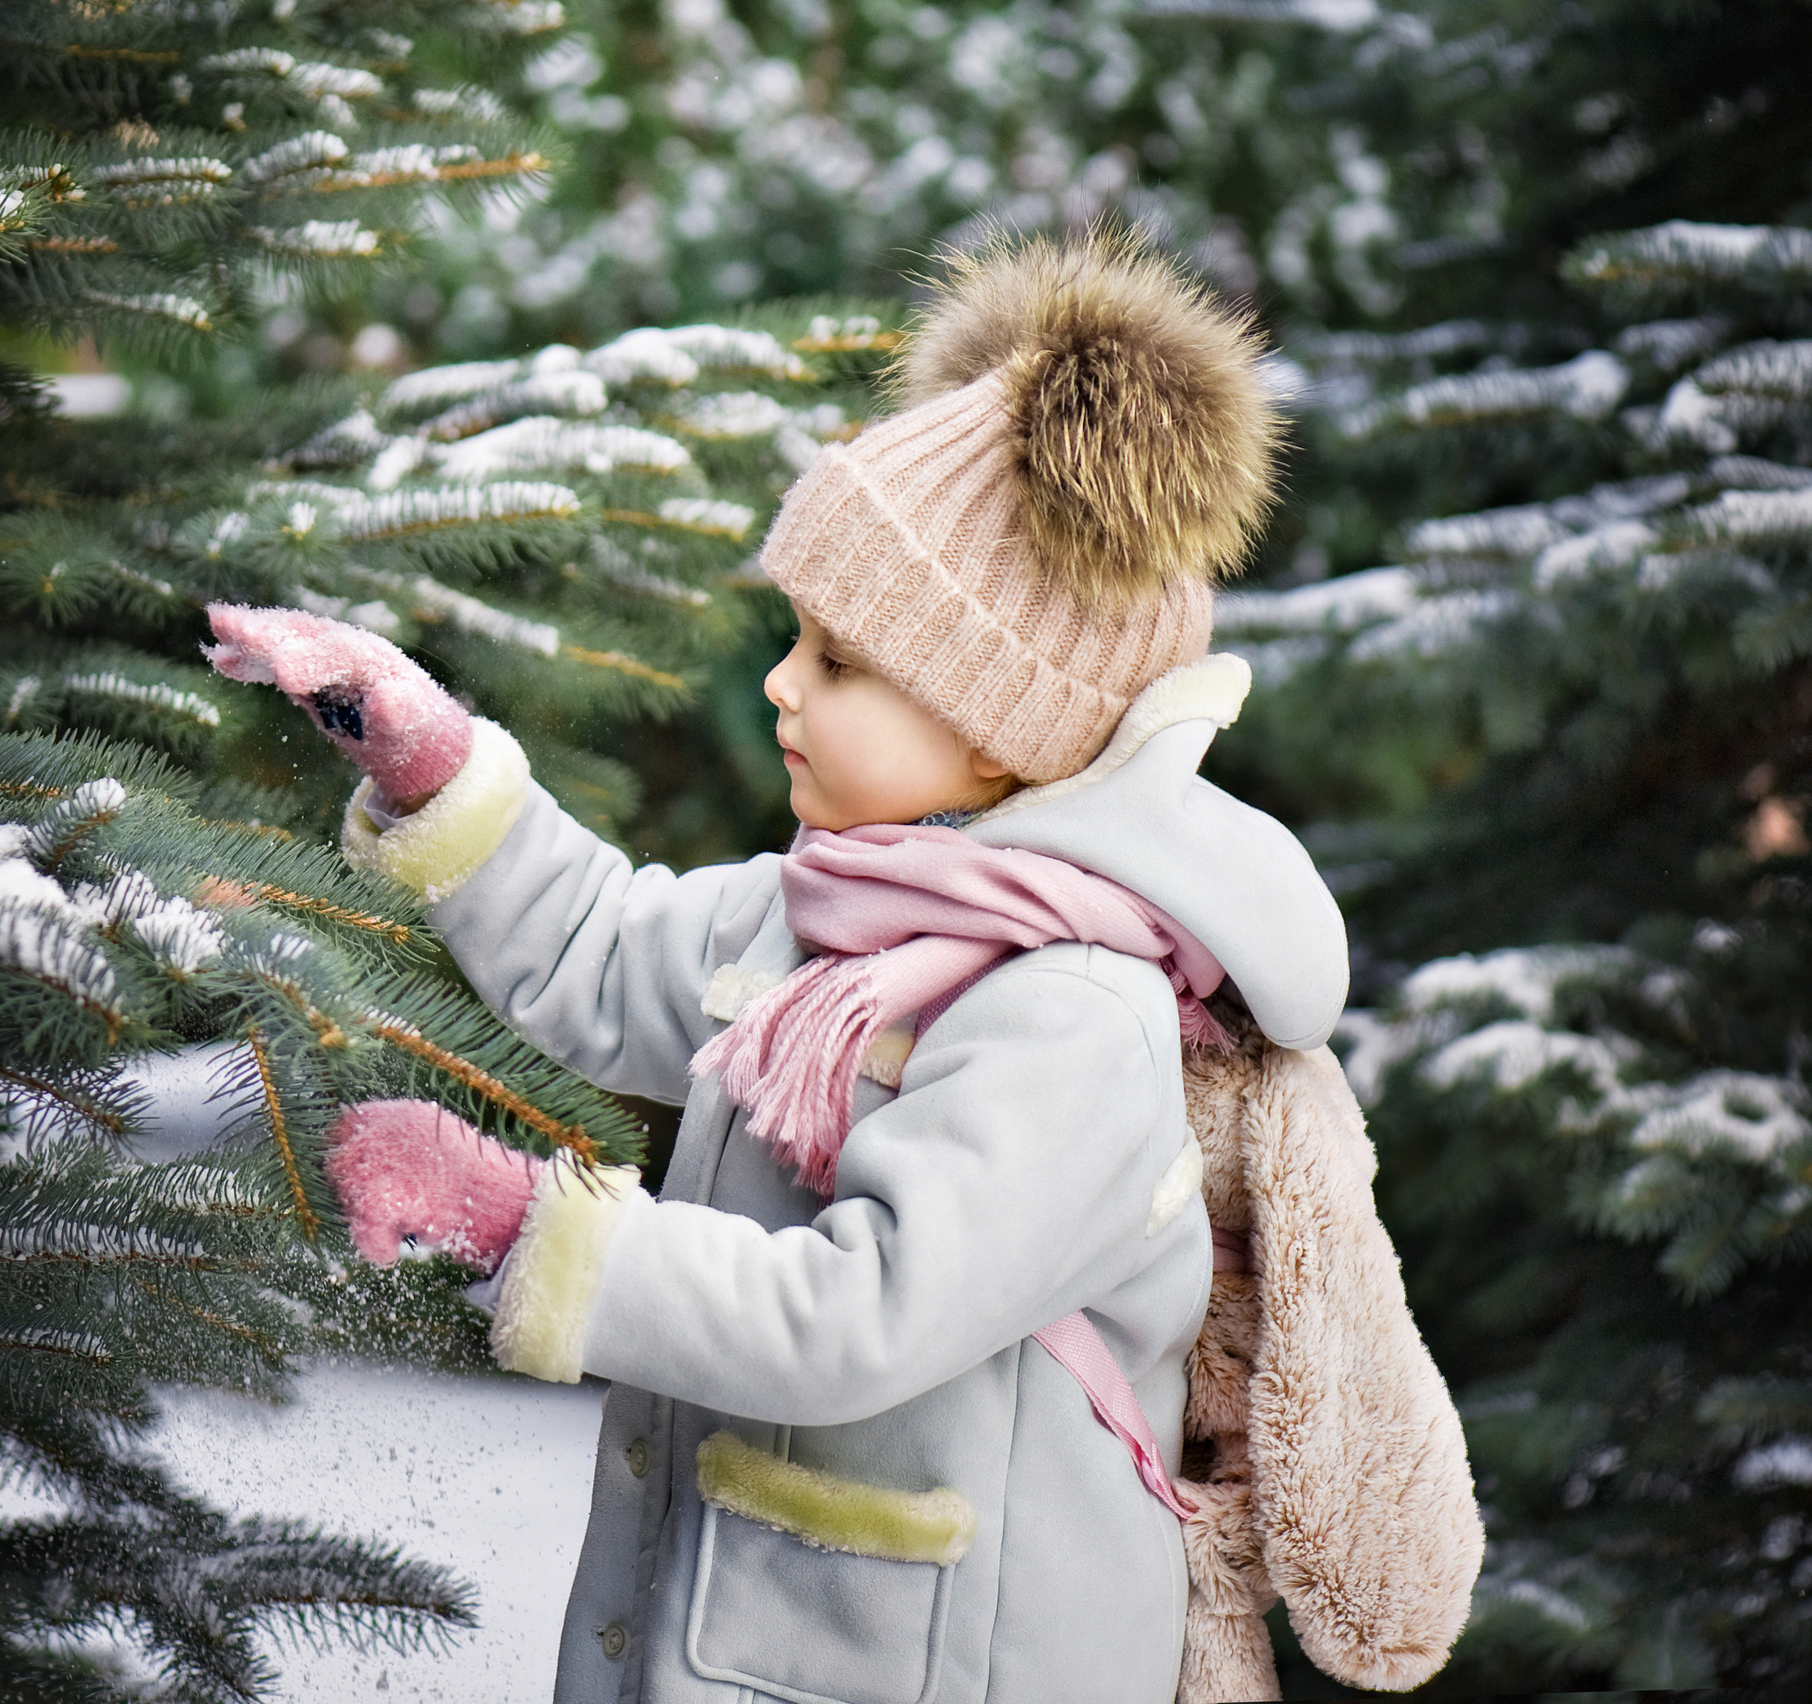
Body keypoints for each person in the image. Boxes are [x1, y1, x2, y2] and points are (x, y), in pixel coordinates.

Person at [206, 232, 1347, 1704]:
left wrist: (517, 1222)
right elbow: (602, 949)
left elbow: (855, 1314)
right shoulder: (833, 912)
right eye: (796, 637)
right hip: (743, 1623)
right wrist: (429, 763)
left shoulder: (1075, 1018)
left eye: (843, 661)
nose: (781, 683)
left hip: (944, 1663)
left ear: (1002, 725)